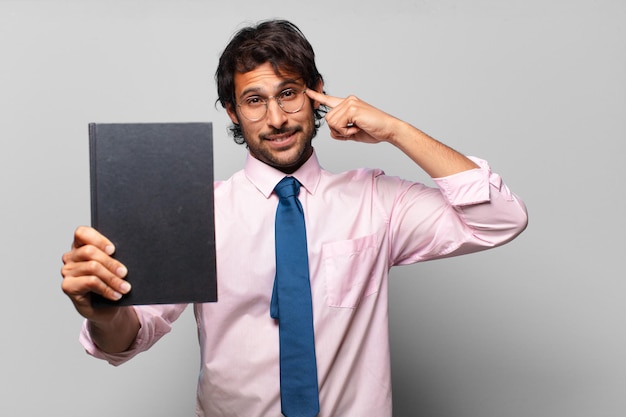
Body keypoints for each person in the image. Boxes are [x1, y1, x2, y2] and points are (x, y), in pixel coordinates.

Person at [61, 19, 528, 417]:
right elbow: (130, 335)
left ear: (317, 94)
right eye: (254, 100)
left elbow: (501, 219)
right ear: (233, 112)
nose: (277, 118)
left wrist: (396, 131)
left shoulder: (374, 199)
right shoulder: (197, 210)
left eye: (289, 93)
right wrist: (103, 312)